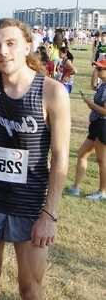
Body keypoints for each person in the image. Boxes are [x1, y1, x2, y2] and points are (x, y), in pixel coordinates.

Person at [0, 18, 70, 300]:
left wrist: (49, 215)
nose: (3, 51)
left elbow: (59, 160)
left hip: (30, 206)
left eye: (11, 43)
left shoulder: (52, 92)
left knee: (29, 287)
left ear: (27, 45)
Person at [67, 58, 106, 201]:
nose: (98, 70)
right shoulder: (102, 85)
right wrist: (94, 72)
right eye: (97, 68)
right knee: (82, 153)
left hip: (103, 126)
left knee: (102, 160)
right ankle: (75, 187)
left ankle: (102, 191)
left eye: (100, 69)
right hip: (96, 125)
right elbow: (93, 85)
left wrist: (90, 104)